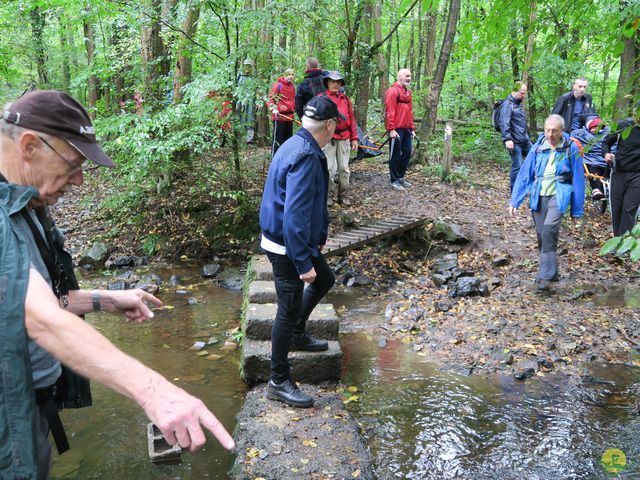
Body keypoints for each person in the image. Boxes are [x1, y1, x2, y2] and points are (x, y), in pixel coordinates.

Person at [0, 90, 234, 478]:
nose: (78, 180)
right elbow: (37, 317)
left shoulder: (25, 206)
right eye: (72, 164)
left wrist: (102, 299)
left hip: (30, 409)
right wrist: (155, 392)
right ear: (29, 146)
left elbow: (31, 300)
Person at [258, 95, 343, 408]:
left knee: (324, 280)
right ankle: (278, 380)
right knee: (288, 306)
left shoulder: (295, 143)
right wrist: (302, 261)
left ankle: (297, 332)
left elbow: (306, 205)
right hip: (286, 246)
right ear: (330, 125)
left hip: (291, 241)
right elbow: (294, 213)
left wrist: (316, 238)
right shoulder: (306, 154)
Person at [509, 114, 584, 291]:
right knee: (542, 235)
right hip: (538, 194)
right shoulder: (538, 147)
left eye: (554, 131)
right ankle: (552, 272)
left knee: (549, 230)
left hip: (559, 194)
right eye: (547, 130)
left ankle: (545, 277)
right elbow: (525, 174)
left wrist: (576, 211)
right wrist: (515, 200)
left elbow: (579, 180)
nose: (550, 135)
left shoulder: (571, 148)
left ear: (562, 131)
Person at [602, 104, 640, 236]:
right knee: (616, 209)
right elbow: (606, 142)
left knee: (629, 209)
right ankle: (617, 242)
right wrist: (606, 154)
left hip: (637, 176)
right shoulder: (623, 125)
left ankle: (623, 246)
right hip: (619, 172)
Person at [322, 71, 358, 206]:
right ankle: (329, 196)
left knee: (344, 169)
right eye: (332, 81)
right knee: (329, 168)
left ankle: (344, 196)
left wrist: (354, 138)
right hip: (328, 138)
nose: (335, 84)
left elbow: (352, 120)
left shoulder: (345, 99)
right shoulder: (322, 98)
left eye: (338, 82)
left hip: (344, 137)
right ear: (327, 83)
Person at [498, 81, 532, 192]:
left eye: (525, 93)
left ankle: (530, 187)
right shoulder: (507, 105)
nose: (524, 95)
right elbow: (504, 123)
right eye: (522, 93)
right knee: (517, 165)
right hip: (514, 141)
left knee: (534, 158)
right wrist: (507, 139)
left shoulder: (517, 104)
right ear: (514, 91)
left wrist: (526, 137)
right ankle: (515, 191)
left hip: (524, 140)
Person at [385, 68, 415, 191]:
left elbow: (410, 112)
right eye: (407, 76)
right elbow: (390, 112)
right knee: (395, 155)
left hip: (407, 128)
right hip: (396, 129)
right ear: (400, 77)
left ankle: (401, 177)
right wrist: (391, 129)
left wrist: (412, 128)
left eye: (410, 76)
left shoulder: (408, 93)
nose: (409, 78)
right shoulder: (392, 91)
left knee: (407, 152)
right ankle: (394, 180)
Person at [571, 116, 612, 200]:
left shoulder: (608, 134)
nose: (596, 129)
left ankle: (606, 189)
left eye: (599, 127)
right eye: (594, 127)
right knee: (593, 169)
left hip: (605, 159)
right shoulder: (580, 134)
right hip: (591, 160)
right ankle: (596, 189)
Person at [268, 68, 296, 156]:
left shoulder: (292, 87)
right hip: (279, 117)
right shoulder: (278, 85)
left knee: (288, 142)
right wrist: (274, 109)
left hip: (289, 118)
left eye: (292, 74)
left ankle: (285, 162)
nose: (291, 76)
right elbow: (270, 99)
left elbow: (293, 100)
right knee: (277, 141)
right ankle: (274, 161)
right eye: (288, 74)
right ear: (284, 75)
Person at [237, 58, 257, 144]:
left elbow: (258, 90)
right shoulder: (239, 75)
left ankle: (249, 139)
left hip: (251, 101)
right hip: (241, 100)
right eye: (246, 66)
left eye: (249, 66)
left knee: (250, 118)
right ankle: (240, 137)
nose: (247, 68)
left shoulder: (254, 77)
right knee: (240, 118)